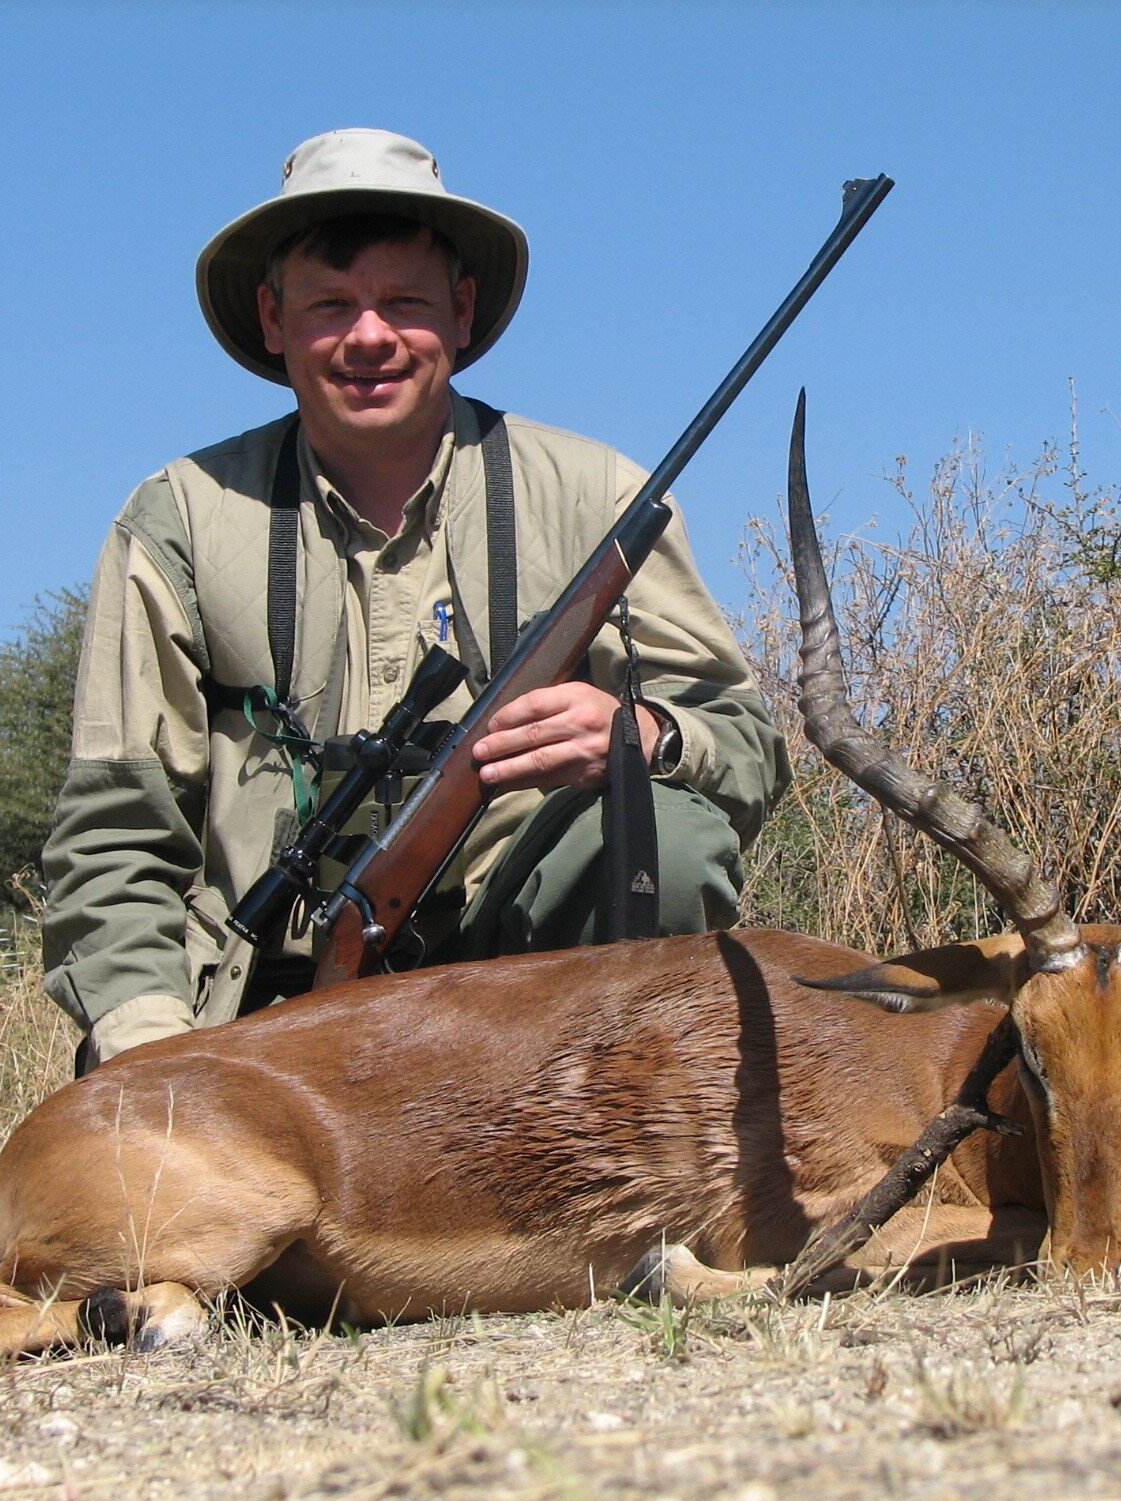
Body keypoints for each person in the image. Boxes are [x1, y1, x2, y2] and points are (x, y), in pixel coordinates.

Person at [43, 130, 790, 1069]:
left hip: (525, 992)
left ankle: (618, 1165)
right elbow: (113, 838)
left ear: (462, 311)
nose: (369, 336)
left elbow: (751, 748)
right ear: (273, 320)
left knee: (668, 839)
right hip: (255, 1011)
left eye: (404, 302)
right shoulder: (177, 522)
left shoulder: (597, 498)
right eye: (330, 306)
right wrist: (147, 1052)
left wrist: (647, 735)